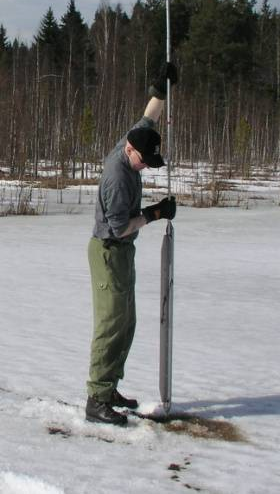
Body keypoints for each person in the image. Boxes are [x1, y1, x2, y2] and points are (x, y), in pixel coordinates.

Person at [86, 62, 177, 426]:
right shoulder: (118, 178)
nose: (145, 167)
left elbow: (148, 117)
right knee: (110, 324)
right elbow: (120, 228)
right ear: (129, 152)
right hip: (109, 251)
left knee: (127, 322)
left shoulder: (135, 140)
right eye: (144, 162)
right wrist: (155, 214)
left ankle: (109, 388)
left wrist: (162, 88)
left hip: (123, 253)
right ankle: (96, 398)